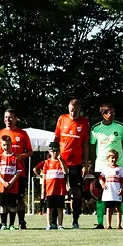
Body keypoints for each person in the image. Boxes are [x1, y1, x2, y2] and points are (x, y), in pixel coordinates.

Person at [86, 104, 123, 230]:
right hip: (101, 166)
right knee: (101, 194)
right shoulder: (96, 129)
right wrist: (92, 162)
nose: (113, 114)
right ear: (103, 114)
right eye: (110, 112)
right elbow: (92, 146)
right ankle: (100, 222)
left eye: (113, 111)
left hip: (119, 166)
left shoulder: (120, 126)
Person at [0, 109, 34, 229]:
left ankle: (21, 221)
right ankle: (4, 223)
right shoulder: (0, 133)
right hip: (4, 174)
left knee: (19, 199)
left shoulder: (22, 134)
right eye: (6, 117)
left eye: (10, 117)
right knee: (4, 201)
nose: (8, 120)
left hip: (18, 173)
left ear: (16, 119)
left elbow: (30, 152)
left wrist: (21, 156)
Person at [54, 98, 90, 229]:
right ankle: (54, 221)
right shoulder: (62, 119)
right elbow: (56, 139)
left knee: (76, 193)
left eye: (75, 110)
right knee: (57, 191)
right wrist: (54, 157)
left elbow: (86, 145)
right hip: (61, 162)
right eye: (71, 110)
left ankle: (75, 219)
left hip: (76, 163)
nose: (73, 113)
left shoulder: (84, 122)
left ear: (80, 109)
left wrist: (85, 164)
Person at [35, 142, 68, 230]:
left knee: (60, 208)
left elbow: (65, 172)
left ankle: (60, 225)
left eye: (56, 151)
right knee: (49, 208)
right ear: (49, 152)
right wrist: (43, 190)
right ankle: (49, 225)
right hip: (50, 190)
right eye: (53, 151)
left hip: (60, 189)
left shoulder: (62, 161)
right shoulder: (47, 162)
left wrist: (60, 161)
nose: (54, 153)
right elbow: (44, 177)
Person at [0, 135, 22, 231]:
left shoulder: (16, 157)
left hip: (13, 186)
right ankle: (3, 224)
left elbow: (18, 171)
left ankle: (12, 225)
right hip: (2, 186)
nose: (6, 147)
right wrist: (4, 182)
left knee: (13, 206)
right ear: (1, 145)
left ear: (11, 144)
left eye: (8, 144)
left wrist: (10, 182)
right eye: (4, 145)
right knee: (3, 206)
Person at [98, 150, 123, 232]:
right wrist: (103, 184)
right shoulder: (105, 169)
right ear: (108, 159)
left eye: (115, 158)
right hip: (108, 193)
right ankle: (108, 225)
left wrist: (121, 188)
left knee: (118, 208)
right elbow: (100, 178)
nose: (113, 160)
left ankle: (119, 225)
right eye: (112, 158)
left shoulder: (119, 169)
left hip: (116, 192)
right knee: (108, 209)